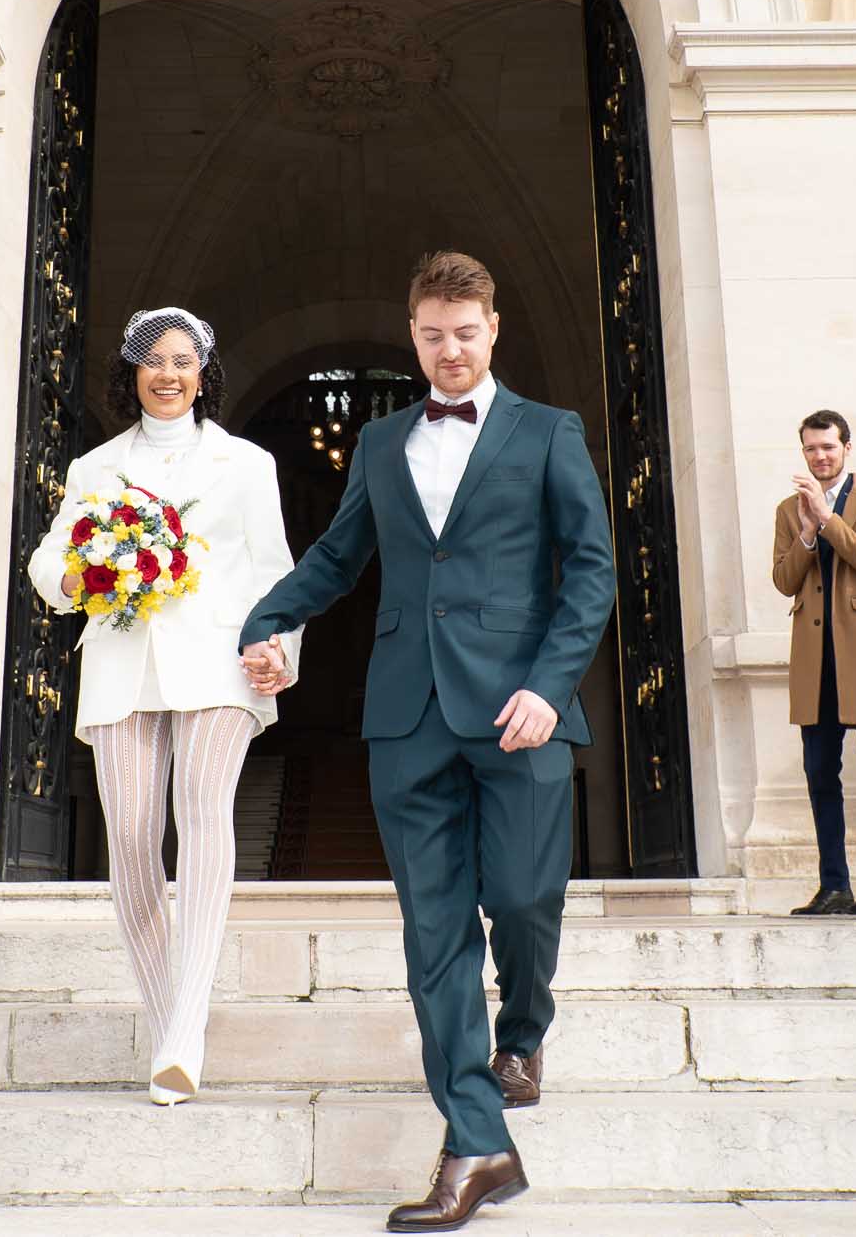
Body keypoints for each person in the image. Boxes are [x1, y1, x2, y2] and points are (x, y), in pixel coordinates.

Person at [241, 251, 616, 1233]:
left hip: (521, 708)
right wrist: (269, 623)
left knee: (527, 897)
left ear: (493, 332)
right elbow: (337, 556)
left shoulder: (548, 433)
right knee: (435, 932)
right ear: (415, 335)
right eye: (432, 334)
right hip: (407, 716)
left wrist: (550, 682)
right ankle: (476, 1136)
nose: (449, 349)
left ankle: (524, 1029)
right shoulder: (379, 441)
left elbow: (590, 569)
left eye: (465, 332)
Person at [23, 307, 298, 1102]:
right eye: (153, 360)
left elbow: (276, 568)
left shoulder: (246, 464)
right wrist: (79, 577)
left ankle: (186, 1027)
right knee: (137, 837)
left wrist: (281, 646)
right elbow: (49, 561)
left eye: (183, 360)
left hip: (220, 660)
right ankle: (170, 1020)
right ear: (132, 371)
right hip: (121, 658)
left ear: (204, 372)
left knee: (203, 806)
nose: (168, 373)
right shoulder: (95, 467)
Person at [768, 410, 856, 915]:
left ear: (847, 447)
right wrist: (806, 534)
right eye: (810, 449)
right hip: (814, 656)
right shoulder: (789, 509)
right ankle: (834, 885)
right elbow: (784, 580)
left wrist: (827, 520)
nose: (819, 456)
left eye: (828, 447)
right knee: (820, 774)